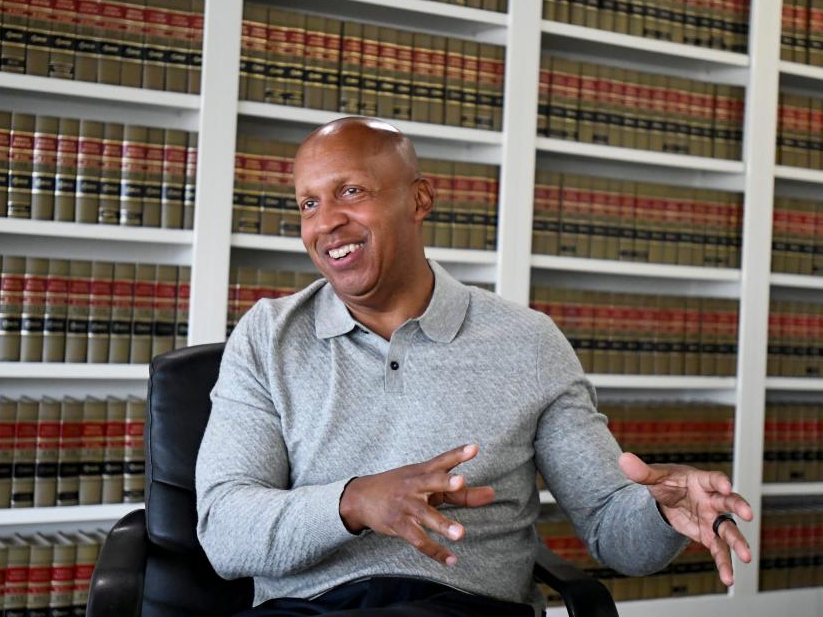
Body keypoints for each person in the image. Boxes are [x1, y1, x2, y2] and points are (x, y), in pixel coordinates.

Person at [195, 117, 753, 617]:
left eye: (350, 192)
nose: (327, 223)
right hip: (304, 610)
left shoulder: (528, 342)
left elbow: (612, 528)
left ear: (420, 199)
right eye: (308, 204)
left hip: (461, 607)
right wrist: (356, 501)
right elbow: (224, 530)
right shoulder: (268, 336)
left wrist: (660, 514)